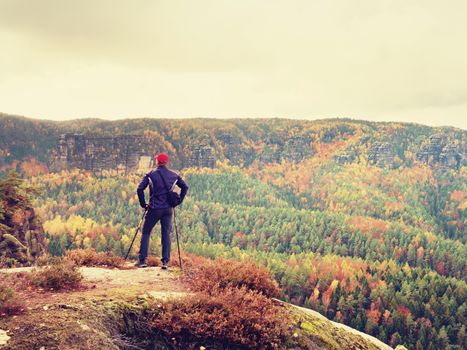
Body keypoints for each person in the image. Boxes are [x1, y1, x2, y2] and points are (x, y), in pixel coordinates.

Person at [136, 153, 188, 269]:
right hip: (168, 209)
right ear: (166, 162)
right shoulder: (174, 176)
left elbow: (140, 189)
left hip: (154, 208)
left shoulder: (150, 175)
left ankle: (143, 261)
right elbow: (185, 187)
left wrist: (143, 204)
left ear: (157, 162)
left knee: (146, 232)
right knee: (166, 234)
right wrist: (179, 201)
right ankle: (165, 262)